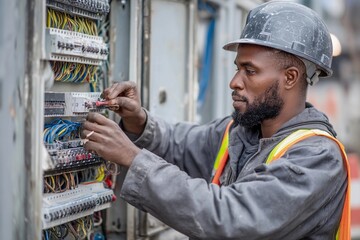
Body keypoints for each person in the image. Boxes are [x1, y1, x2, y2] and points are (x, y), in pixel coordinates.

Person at [81, 1, 350, 239]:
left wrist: (133, 158)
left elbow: (230, 218)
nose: (235, 82)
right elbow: (181, 145)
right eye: (237, 68)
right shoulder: (241, 132)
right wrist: (138, 121)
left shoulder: (317, 158)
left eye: (250, 71)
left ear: (290, 77)